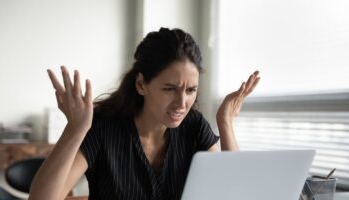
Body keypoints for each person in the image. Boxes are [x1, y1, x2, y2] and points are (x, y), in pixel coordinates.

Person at [29, 27, 260, 200]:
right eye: (170, 89)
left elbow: (234, 193)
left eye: (191, 90)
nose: (182, 103)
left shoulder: (194, 126)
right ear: (141, 85)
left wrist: (226, 122)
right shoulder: (103, 128)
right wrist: (76, 129)